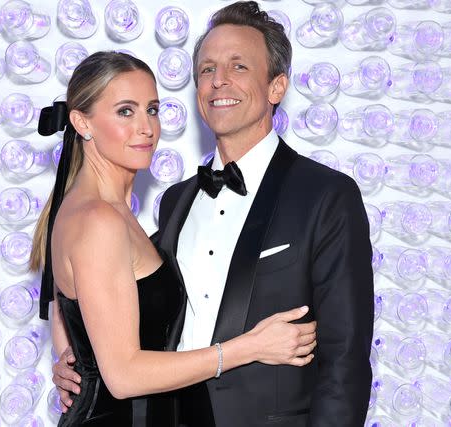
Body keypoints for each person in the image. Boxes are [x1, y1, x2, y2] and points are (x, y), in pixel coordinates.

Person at [52, 1, 374, 425]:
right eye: (206, 69)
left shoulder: (326, 196)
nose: (218, 80)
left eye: (238, 67)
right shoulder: (175, 202)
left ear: (277, 87)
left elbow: (345, 365)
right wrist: (77, 359)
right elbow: (89, 288)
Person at [29, 51, 319, 427]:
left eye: (151, 109)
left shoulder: (100, 211)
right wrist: (249, 347)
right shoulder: (98, 219)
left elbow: (71, 309)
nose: (146, 127)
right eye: (125, 111)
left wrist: (73, 358)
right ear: (82, 122)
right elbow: (123, 376)